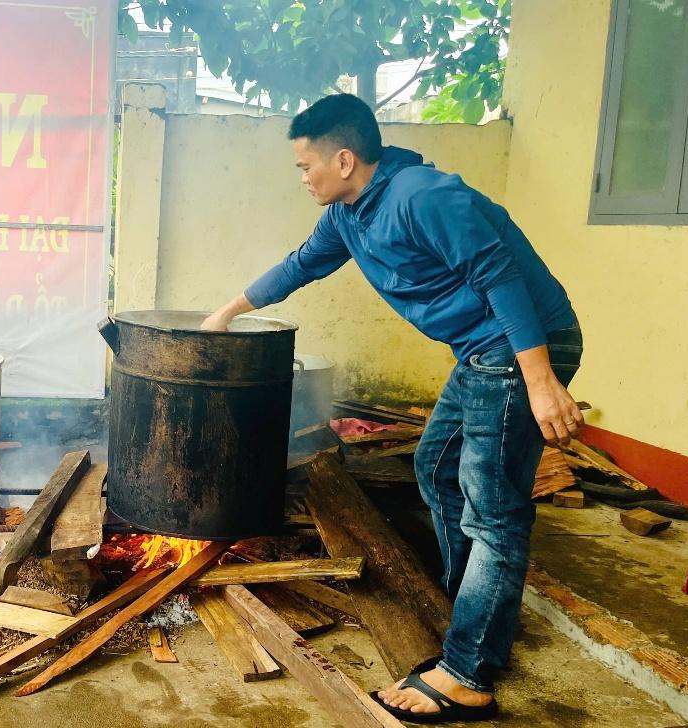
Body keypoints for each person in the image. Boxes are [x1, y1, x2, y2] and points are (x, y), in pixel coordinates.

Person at [202, 93, 583, 723]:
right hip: (483, 350)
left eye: (305, 166)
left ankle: (469, 673)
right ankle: (471, 611)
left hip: (524, 343)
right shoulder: (349, 214)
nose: (303, 178)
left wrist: (539, 380)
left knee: (494, 509)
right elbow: (301, 265)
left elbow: (499, 276)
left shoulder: (422, 196)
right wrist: (226, 314)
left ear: (343, 160)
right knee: (437, 468)